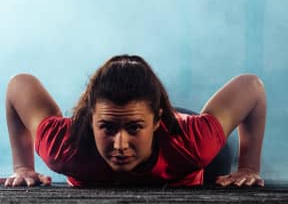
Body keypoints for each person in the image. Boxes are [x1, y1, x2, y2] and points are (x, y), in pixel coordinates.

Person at [4, 55, 267, 188]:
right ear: (90, 120)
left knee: (219, 155)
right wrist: (23, 167)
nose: (119, 144)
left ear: (155, 122)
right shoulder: (63, 145)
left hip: (186, 159)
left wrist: (248, 168)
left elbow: (251, 87)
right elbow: (19, 85)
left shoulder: (193, 142)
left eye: (133, 129)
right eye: (107, 128)